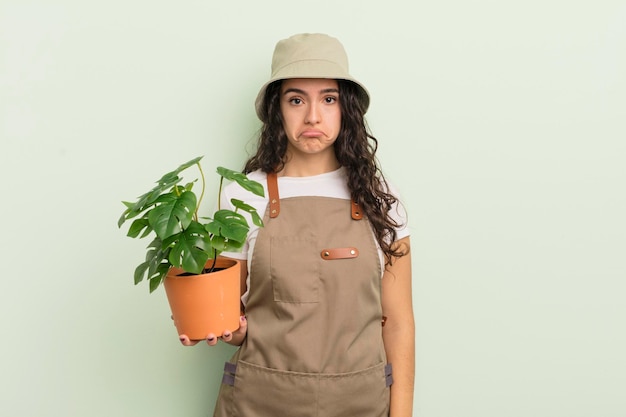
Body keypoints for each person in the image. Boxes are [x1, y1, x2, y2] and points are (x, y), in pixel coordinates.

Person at [180, 33, 414, 417]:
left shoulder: (381, 197)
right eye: (296, 100)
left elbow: (400, 322)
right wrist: (210, 323)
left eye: (328, 98)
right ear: (278, 110)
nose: (312, 116)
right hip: (260, 402)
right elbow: (235, 322)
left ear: (346, 108)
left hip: (360, 404)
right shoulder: (245, 195)